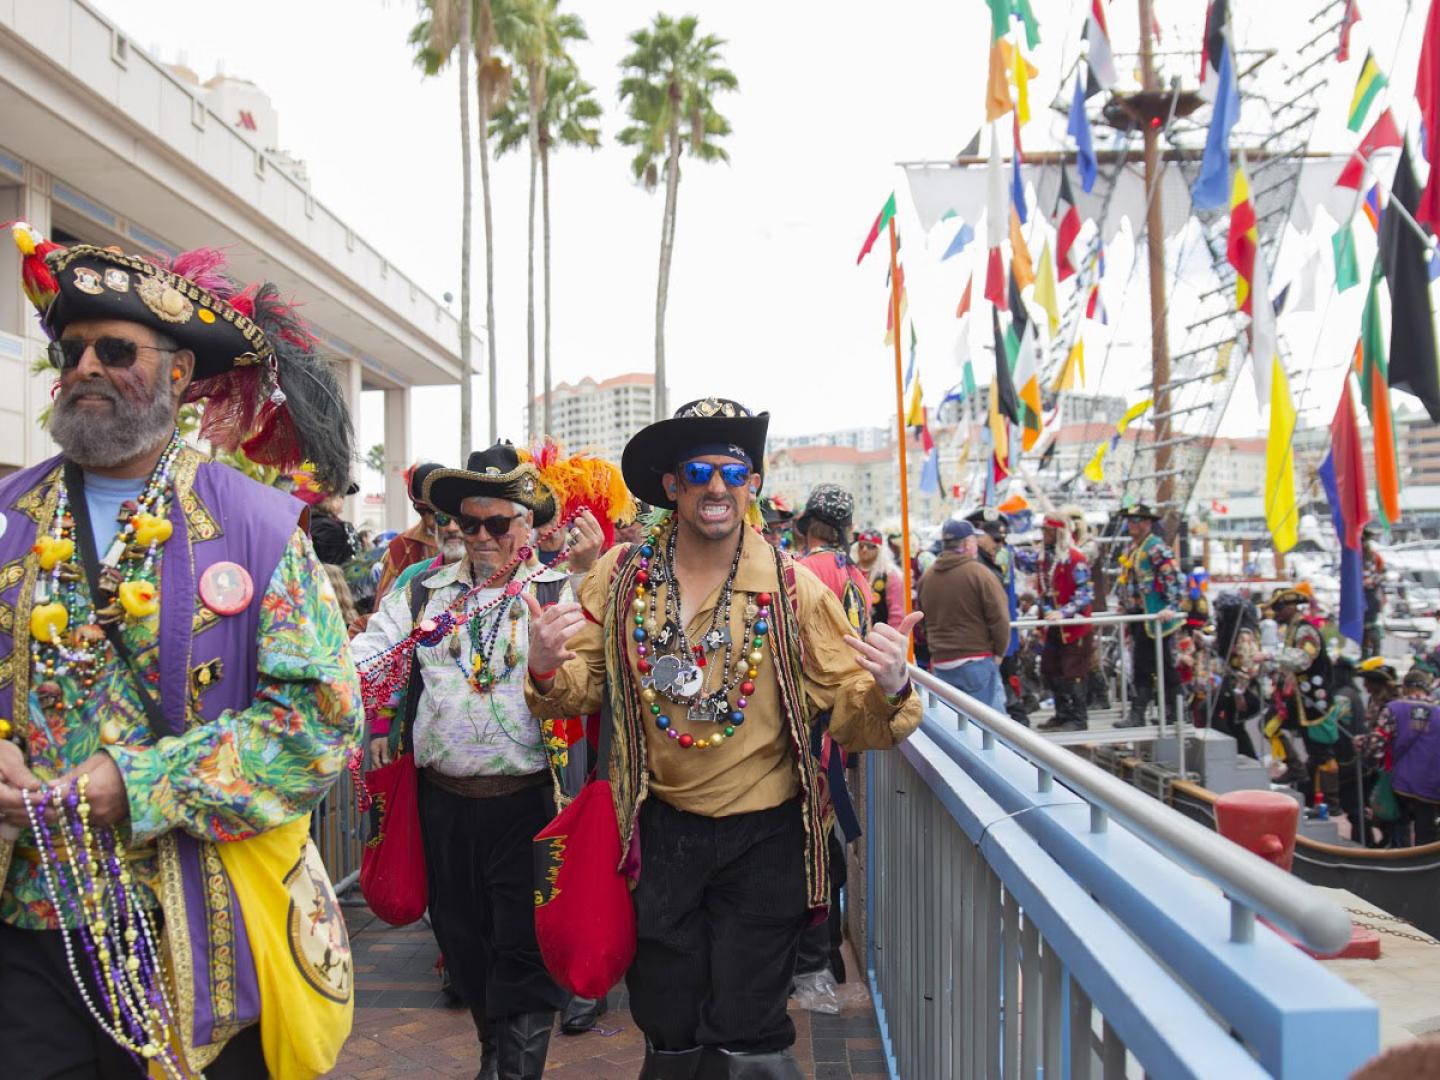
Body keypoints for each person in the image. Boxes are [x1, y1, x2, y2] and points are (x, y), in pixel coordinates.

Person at [0, 233, 363, 1077]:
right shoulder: (10, 514)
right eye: (71, 351)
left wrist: (141, 783)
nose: (86, 367)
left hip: (195, 929)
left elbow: (320, 726)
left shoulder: (256, 526)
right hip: (26, 923)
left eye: (115, 350)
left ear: (177, 372)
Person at [524, 397, 922, 1078]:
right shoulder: (621, 577)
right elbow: (583, 684)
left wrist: (890, 687)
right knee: (667, 1016)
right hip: (658, 829)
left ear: (752, 486)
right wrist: (541, 666)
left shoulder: (793, 590)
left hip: (765, 837)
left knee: (749, 1023)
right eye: (699, 472)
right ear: (672, 486)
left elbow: (847, 702)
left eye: (733, 473)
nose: (717, 487)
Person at [353, 442, 606, 1079]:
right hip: (442, 805)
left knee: (523, 950)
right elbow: (368, 659)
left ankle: (513, 1071)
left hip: (530, 805)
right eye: (470, 524)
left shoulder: (560, 591)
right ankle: (494, 1055)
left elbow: (592, 677)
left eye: (498, 523)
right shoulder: (421, 594)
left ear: (527, 524)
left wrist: (581, 597)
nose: (483, 537)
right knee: (463, 947)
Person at [917, 519, 1012, 715]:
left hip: (942, 661)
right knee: (990, 723)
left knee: (954, 724)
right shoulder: (980, 574)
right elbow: (1000, 619)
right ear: (968, 543)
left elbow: (923, 621)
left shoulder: (927, 578)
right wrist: (1000, 652)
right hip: (977, 660)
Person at [1022, 513, 1094, 733]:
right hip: (1052, 626)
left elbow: (1086, 594)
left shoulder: (1075, 558)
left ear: (1059, 533)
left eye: (1048, 531)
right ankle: (1062, 713)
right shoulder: (1044, 559)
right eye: (1043, 530)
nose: (1044, 534)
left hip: (1074, 628)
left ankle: (1078, 717)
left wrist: (1063, 612)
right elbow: (1036, 578)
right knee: (1050, 669)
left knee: (1073, 671)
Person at [1113, 504, 1184, 729]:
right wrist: (1124, 604)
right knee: (1148, 664)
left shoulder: (1156, 547)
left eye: (1135, 521)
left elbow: (1173, 578)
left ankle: (1151, 712)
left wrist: (1171, 606)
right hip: (1139, 616)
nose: (1131, 525)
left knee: (1156, 665)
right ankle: (1168, 711)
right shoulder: (1134, 547)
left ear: (1146, 523)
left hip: (1156, 616)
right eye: (1129, 521)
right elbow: (1130, 581)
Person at [1265, 587, 1336, 796]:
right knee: (1269, 724)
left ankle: (1329, 802)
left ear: (1291, 607)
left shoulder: (1305, 630)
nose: (1275, 613)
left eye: (1279, 608)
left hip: (1312, 700)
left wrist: (1271, 656)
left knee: (1320, 752)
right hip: (1296, 699)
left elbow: (1303, 659)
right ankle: (1295, 768)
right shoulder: (1293, 629)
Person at [966, 507, 1027, 724]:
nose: (999, 545)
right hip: (989, 639)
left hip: (998, 637)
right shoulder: (978, 563)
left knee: (1003, 685)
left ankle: (1017, 723)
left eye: (1001, 540)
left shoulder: (995, 559)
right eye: (995, 539)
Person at [1378, 669, 1440, 846]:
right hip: (1431, 783)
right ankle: (1424, 860)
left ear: (1405, 688)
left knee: (1399, 825)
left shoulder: (1393, 708)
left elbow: (1378, 741)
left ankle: (1401, 856)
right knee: (1426, 832)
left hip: (1400, 780)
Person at [374, 461, 446, 601]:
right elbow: (383, 603)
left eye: (434, 512)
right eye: (421, 511)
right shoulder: (401, 546)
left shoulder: (470, 541)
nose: (429, 521)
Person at [854, 526, 905, 628]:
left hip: (881, 633)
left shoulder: (890, 575)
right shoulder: (850, 570)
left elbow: (896, 613)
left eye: (870, 546)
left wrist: (891, 635)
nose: (864, 549)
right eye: (861, 545)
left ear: (879, 549)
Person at [1362, 533, 1386, 658]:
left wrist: (1372, 580)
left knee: (1371, 626)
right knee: (1362, 628)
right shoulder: (1354, 556)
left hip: (1371, 594)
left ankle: (1376, 654)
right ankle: (1364, 654)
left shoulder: (1375, 557)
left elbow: (1383, 574)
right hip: (1359, 595)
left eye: (1364, 541)